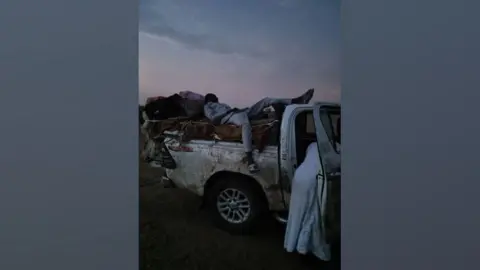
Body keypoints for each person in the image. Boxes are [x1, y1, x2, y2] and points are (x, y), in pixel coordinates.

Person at [203, 89, 315, 173]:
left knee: (266, 101)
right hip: (230, 116)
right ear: (210, 99)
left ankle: (296, 101)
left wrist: (238, 110)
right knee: (245, 125)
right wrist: (229, 112)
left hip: (238, 112)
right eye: (215, 97)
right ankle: (250, 159)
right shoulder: (208, 106)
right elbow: (213, 118)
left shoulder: (222, 104)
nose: (217, 98)